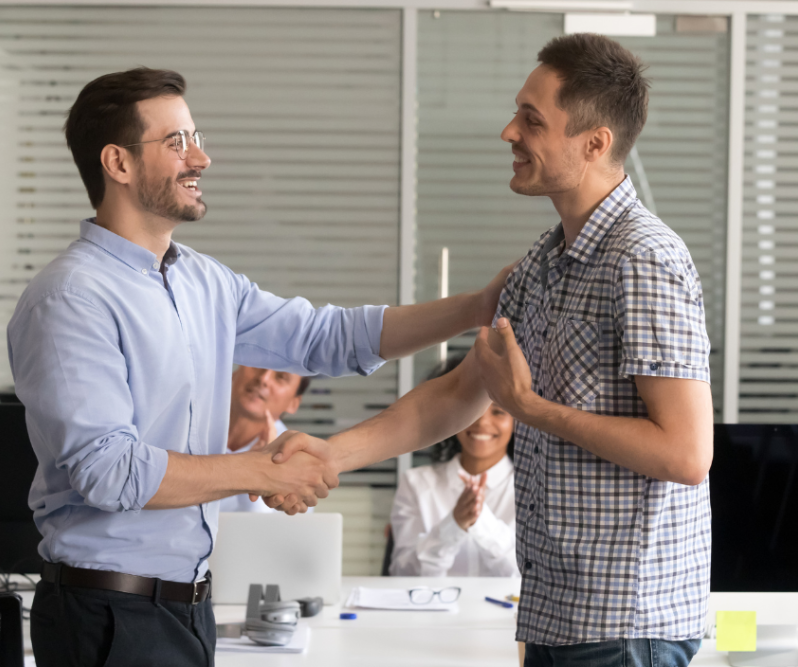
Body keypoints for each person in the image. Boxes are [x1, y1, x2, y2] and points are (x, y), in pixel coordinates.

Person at [7, 67, 511, 667]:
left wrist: (476, 307)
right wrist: (263, 472)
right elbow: (109, 471)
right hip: (107, 614)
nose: (202, 157)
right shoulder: (70, 298)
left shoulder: (202, 280)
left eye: (195, 137)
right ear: (117, 163)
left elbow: (328, 337)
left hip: (188, 608)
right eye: (177, 143)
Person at [270, 33, 713, 667]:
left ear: (595, 143)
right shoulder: (541, 263)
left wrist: (531, 410)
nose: (510, 132)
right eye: (516, 112)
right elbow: (457, 393)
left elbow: (686, 453)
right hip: (558, 616)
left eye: (533, 120)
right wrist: (328, 455)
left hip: (625, 624)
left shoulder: (644, 258)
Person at [389, 355, 518, 577]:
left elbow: (525, 578)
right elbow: (403, 573)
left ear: (518, 421)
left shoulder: (534, 488)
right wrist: (454, 524)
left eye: (498, 411)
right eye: (471, 408)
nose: (482, 422)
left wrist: (482, 521)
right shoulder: (416, 483)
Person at [221, 366, 310, 512]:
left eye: (281, 377)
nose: (264, 379)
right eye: (258, 365)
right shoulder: (185, 418)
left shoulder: (296, 463)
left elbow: (266, 529)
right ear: (235, 372)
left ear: (294, 403)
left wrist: (259, 473)